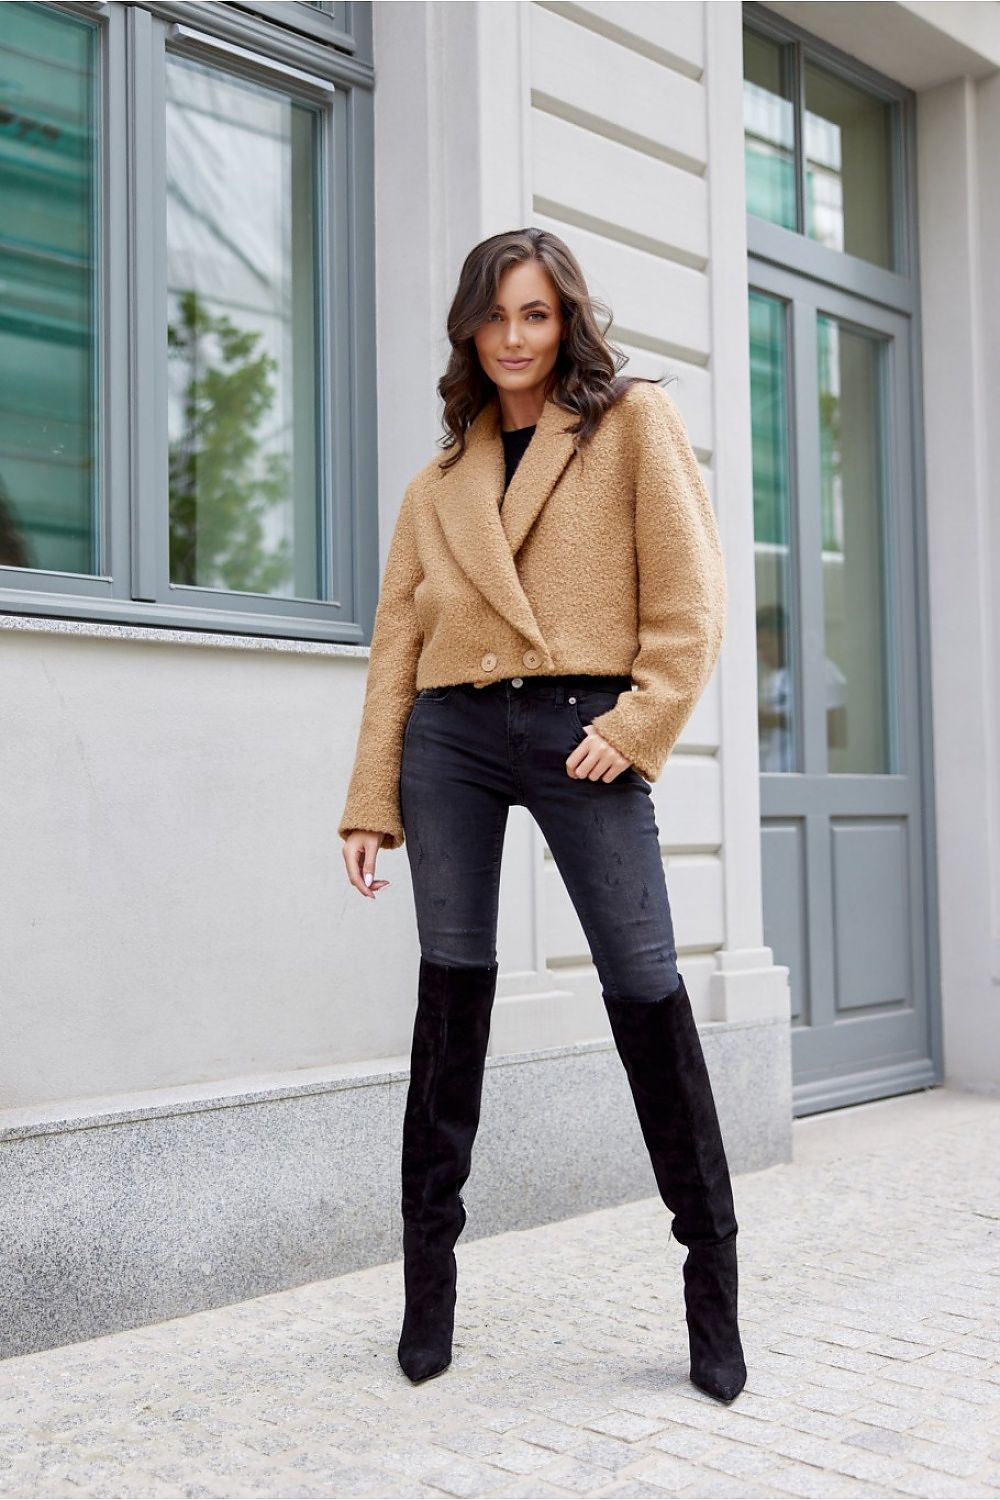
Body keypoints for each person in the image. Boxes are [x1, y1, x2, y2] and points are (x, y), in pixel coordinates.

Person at [338, 227, 745, 1403]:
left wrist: (638, 722)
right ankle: (427, 1293)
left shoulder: (630, 423)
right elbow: (396, 643)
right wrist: (369, 797)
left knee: (645, 986)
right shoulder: (437, 484)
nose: (513, 338)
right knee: (450, 995)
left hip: (584, 734)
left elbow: (692, 600)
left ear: (566, 321)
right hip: (451, 738)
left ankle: (711, 1291)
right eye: (494, 316)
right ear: (468, 329)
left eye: (535, 314)